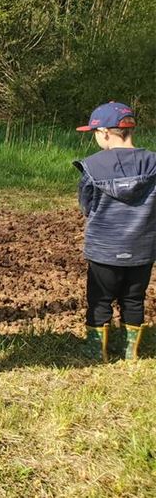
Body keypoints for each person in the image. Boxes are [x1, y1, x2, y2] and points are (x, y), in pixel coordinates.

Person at [74, 102, 154, 362]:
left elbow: (86, 204)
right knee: (133, 299)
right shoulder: (153, 163)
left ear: (105, 133)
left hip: (103, 249)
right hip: (143, 247)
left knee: (99, 300)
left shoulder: (92, 166)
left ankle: (96, 351)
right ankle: (130, 351)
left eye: (94, 133)